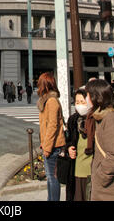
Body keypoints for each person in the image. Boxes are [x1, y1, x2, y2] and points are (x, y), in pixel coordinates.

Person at [86, 79, 114, 201]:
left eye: (88, 95)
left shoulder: (110, 119)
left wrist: (100, 177)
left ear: (96, 97)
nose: (86, 99)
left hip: (111, 191)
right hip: (105, 190)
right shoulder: (101, 117)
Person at [37, 72, 66, 201]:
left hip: (54, 146)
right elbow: (46, 125)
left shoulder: (52, 101)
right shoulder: (47, 100)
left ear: (44, 84)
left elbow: (53, 125)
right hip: (50, 145)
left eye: (39, 82)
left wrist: (47, 147)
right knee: (50, 178)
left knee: (53, 178)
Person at [65, 88, 94, 201]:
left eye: (83, 102)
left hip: (92, 171)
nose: (80, 105)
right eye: (77, 102)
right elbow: (67, 140)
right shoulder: (73, 120)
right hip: (76, 170)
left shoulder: (96, 120)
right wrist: (69, 148)